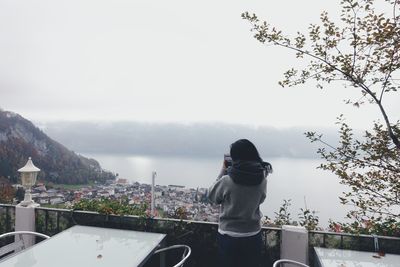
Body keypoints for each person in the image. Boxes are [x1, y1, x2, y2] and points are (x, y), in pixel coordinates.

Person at [208, 139, 272, 267]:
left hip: (229, 236)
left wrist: (222, 171)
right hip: (253, 235)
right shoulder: (262, 179)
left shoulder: (227, 180)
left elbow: (212, 196)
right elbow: (261, 199)